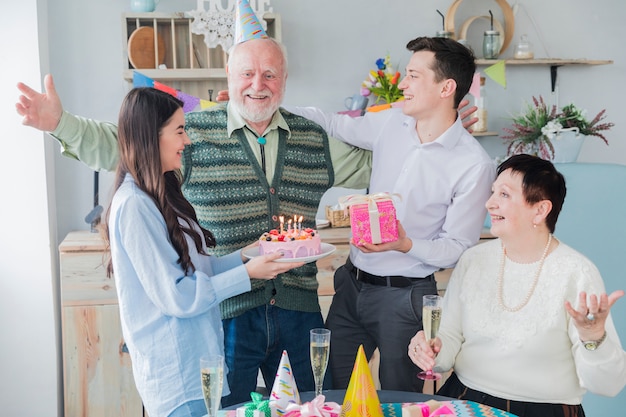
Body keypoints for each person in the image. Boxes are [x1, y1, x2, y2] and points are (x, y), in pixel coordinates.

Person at [15, 37, 479, 401]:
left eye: (270, 74)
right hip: (227, 311)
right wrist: (60, 123)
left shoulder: (313, 138)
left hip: (298, 308)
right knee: (231, 406)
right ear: (230, 77)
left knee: (312, 403)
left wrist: (442, 126)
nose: (259, 83)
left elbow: (383, 166)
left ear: (285, 81)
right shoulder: (191, 132)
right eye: (248, 73)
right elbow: (122, 144)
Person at [286, 37, 495, 392]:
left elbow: (458, 246)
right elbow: (332, 123)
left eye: (413, 76)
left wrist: (405, 243)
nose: (402, 84)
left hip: (406, 300)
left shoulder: (473, 164)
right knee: (334, 392)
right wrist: (265, 107)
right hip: (351, 287)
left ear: (446, 88)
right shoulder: (392, 122)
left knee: (400, 401)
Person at [106, 87, 303, 417]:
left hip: (199, 368)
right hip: (176, 377)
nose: (187, 141)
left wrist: (247, 255)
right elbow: (178, 296)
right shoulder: (134, 207)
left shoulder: (161, 194)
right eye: (179, 131)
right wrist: (248, 274)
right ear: (149, 136)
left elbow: (196, 271)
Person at [408, 154, 626, 417]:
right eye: (492, 192)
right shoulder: (473, 259)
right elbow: (450, 337)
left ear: (540, 210)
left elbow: (607, 385)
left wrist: (594, 338)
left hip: (545, 410)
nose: (489, 203)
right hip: (466, 400)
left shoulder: (576, 273)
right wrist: (431, 350)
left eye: (504, 194)